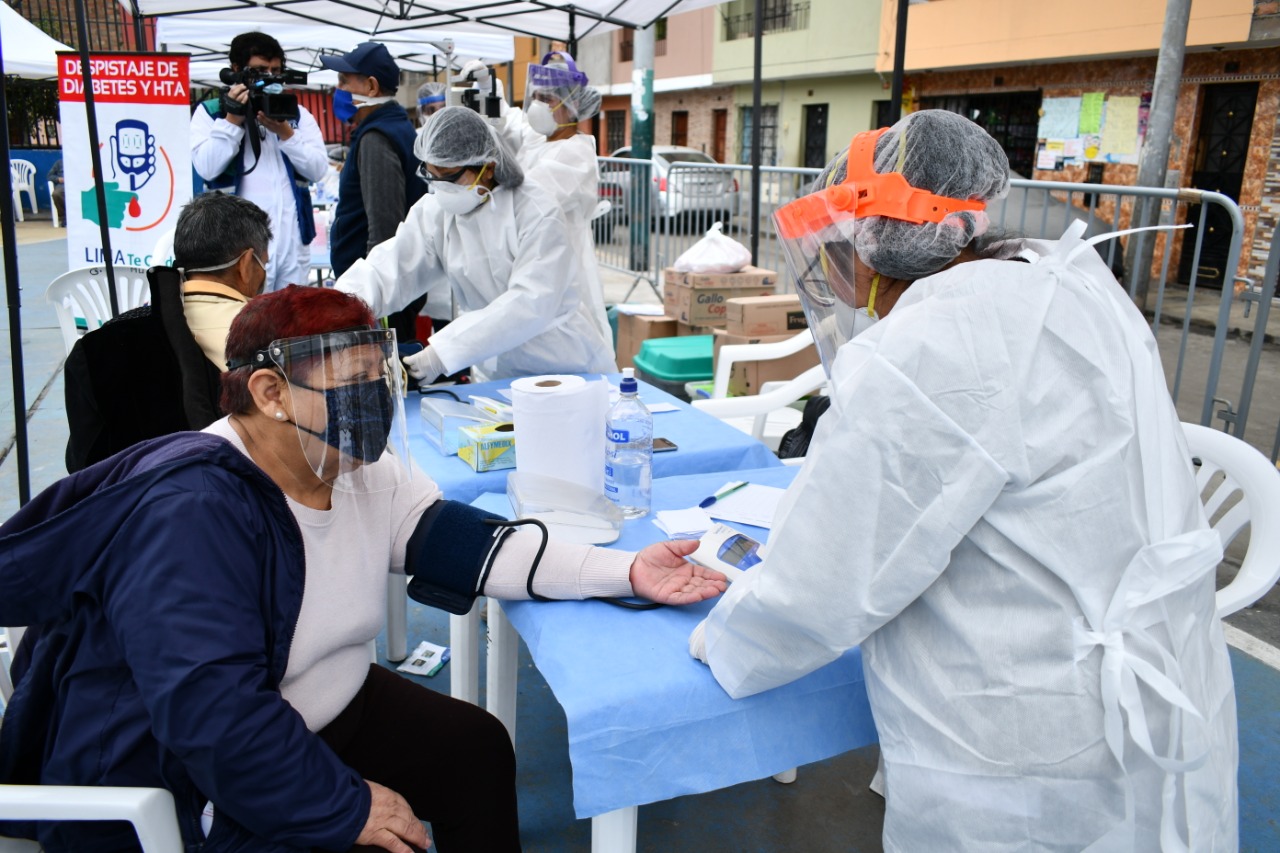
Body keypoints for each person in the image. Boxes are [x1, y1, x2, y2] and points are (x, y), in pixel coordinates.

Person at [1, 284, 725, 853]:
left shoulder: (348, 463)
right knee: (384, 838)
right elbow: (213, 716)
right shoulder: (193, 510)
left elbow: (472, 545)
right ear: (269, 393)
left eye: (375, 379)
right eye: (348, 387)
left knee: (473, 750)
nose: (372, 405)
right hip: (195, 771)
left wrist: (626, 570)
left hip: (317, 705)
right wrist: (345, 803)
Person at [689, 110, 1238, 850]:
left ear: (875, 240)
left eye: (836, 248)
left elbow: (824, 582)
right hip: (1149, 673)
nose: (831, 271)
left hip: (1025, 725)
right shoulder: (1061, 281)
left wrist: (721, 640)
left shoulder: (929, 346)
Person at [335, 106, 616, 382]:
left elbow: (531, 301)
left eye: (450, 176)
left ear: (488, 168)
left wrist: (441, 352)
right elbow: (394, 265)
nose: (440, 187)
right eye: (432, 175)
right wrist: (341, 306)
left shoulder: (536, 211)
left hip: (562, 364)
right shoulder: (437, 211)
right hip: (495, 368)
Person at [63, 192, 269, 472]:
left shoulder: (93, 349)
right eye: (264, 264)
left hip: (126, 510)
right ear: (246, 264)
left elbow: (81, 466)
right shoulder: (277, 341)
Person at [191, 31, 328, 292]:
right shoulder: (211, 112)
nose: (270, 78)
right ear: (236, 70)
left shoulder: (296, 114)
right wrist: (232, 122)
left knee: (292, 322)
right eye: (260, 71)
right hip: (238, 248)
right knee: (247, 324)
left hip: (292, 241)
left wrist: (287, 134)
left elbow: (318, 169)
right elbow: (206, 167)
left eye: (276, 70)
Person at [320, 43, 427, 344]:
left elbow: (385, 229)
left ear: (370, 86)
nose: (338, 88)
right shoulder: (390, 127)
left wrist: (373, 301)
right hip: (383, 289)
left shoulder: (377, 138)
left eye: (344, 80)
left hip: (379, 295)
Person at [517, 51, 609, 342]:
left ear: (572, 106)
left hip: (564, 258)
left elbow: (531, 192)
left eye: (547, 99)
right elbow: (510, 127)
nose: (538, 106)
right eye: (536, 97)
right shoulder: (536, 142)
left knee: (565, 333)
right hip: (533, 253)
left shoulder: (576, 153)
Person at [47, 159, 65, 226]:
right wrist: (58, 179)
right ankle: (64, 217)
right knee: (56, 194)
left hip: (78, 185)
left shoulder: (82, 161)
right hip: (62, 185)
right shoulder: (59, 163)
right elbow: (49, 176)